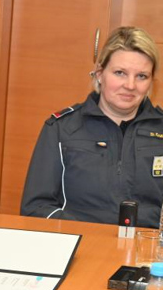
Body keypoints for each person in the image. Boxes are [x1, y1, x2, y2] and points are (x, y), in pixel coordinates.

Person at [21, 26, 163, 228]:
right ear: (99, 74)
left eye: (141, 76)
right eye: (120, 73)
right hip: (81, 242)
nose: (130, 85)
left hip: (148, 246)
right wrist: (88, 234)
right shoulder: (61, 129)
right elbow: (36, 208)